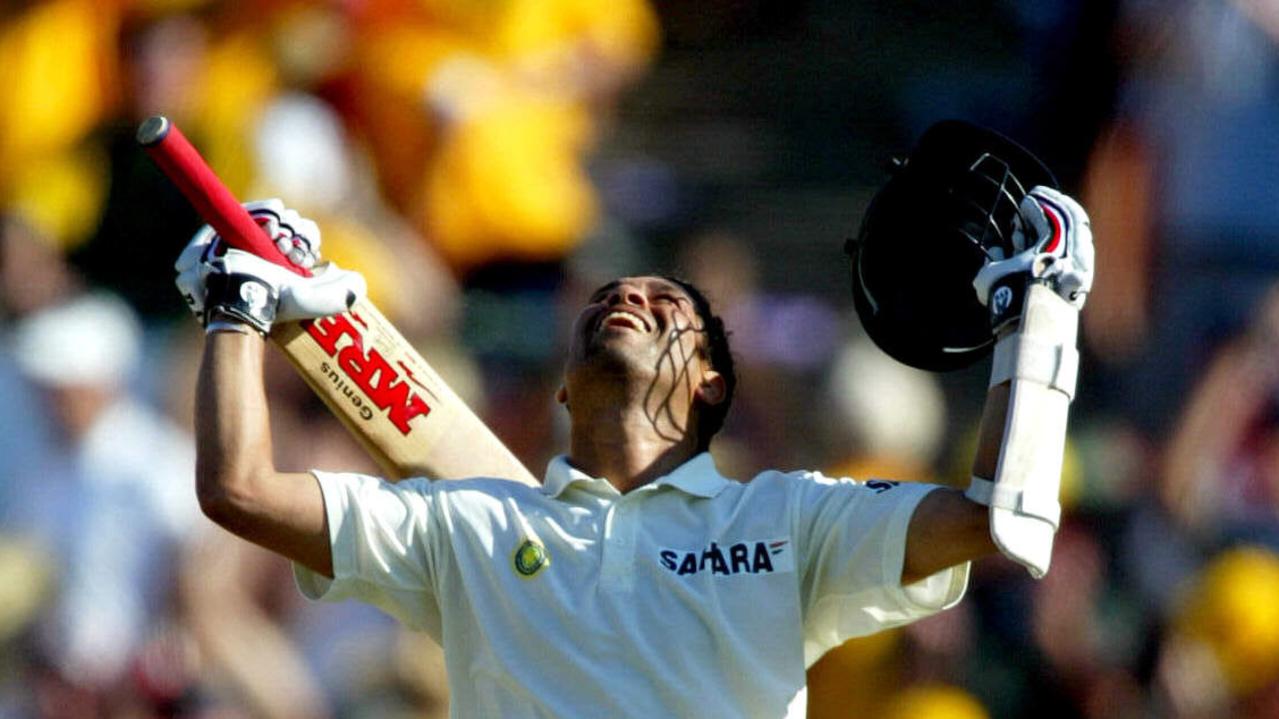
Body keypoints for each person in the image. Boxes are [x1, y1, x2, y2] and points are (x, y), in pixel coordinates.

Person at [175, 187, 1092, 716]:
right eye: (607, 297)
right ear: (564, 387)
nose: (629, 300)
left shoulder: (790, 519)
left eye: (667, 308)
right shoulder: (464, 527)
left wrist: (1041, 311)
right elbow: (239, 490)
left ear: (711, 385)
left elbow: (998, 519)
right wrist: (237, 314)